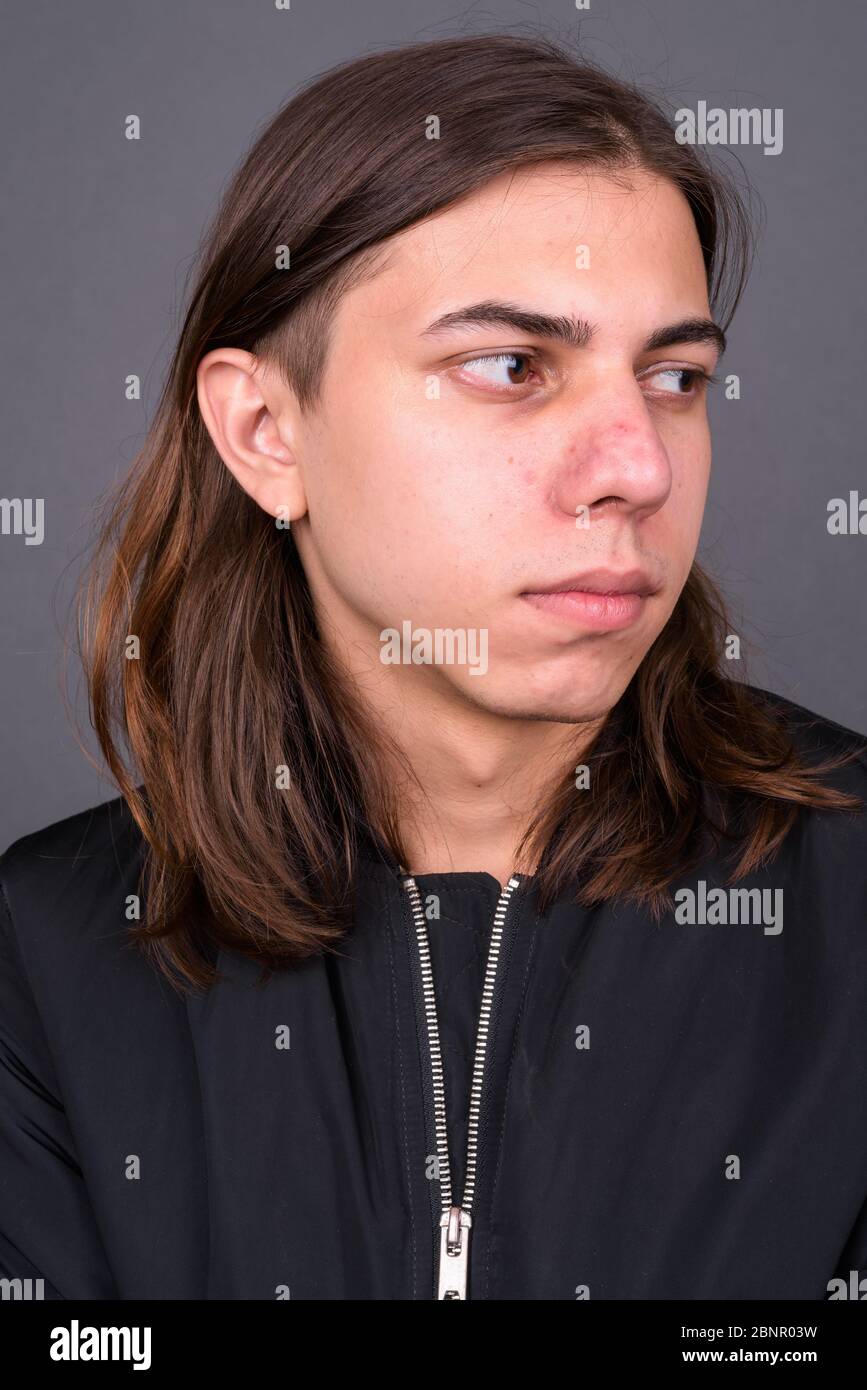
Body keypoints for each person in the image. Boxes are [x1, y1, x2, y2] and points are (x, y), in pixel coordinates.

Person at [1, 32, 866, 1302]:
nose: (641, 465)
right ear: (263, 431)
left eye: (676, 378)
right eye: (513, 367)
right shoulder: (44, 962)